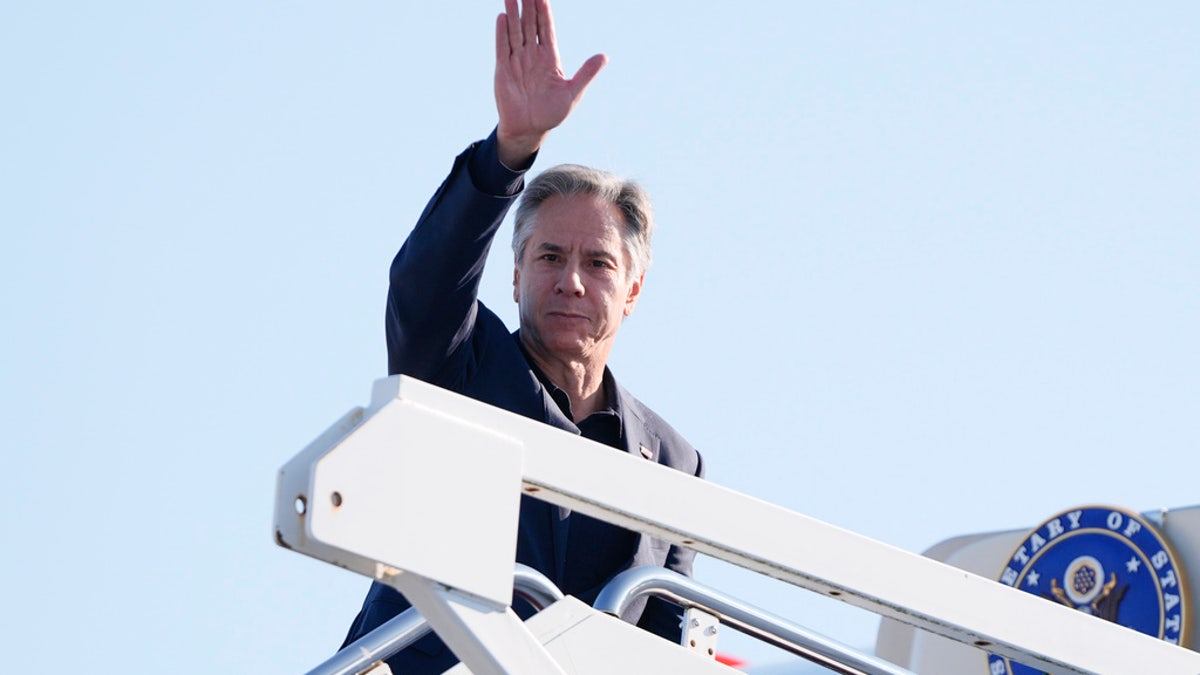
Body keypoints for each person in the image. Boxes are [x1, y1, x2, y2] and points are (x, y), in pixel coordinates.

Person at [339, 0, 704, 671]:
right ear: (514, 276)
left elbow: (667, 634)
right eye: (548, 257)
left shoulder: (675, 460)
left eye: (597, 263)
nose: (570, 280)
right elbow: (424, 285)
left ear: (633, 290)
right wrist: (510, 149)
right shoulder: (462, 366)